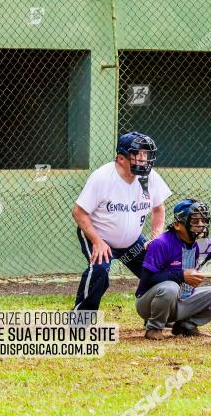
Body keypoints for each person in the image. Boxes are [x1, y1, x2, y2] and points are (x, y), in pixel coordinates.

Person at [72, 132, 172, 310]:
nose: (143, 159)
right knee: (99, 270)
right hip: (99, 236)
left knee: (159, 271)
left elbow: (159, 208)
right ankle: (81, 319)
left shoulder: (150, 178)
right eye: (137, 154)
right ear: (121, 158)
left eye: (145, 154)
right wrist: (97, 241)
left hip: (132, 242)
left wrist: (156, 238)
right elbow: (79, 213)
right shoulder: (102, 177)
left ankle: (161, 315)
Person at [136, 199, 211, 340]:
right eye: (195, 222)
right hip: (148, 305)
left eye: (204, 221)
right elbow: (146, 282)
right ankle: (154, 328)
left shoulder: (208, 245)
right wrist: (181, 276)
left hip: (183, 301)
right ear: (178, 225)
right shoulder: (161, 243)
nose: (201, 226)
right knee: (170, 288)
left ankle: (186, 325)